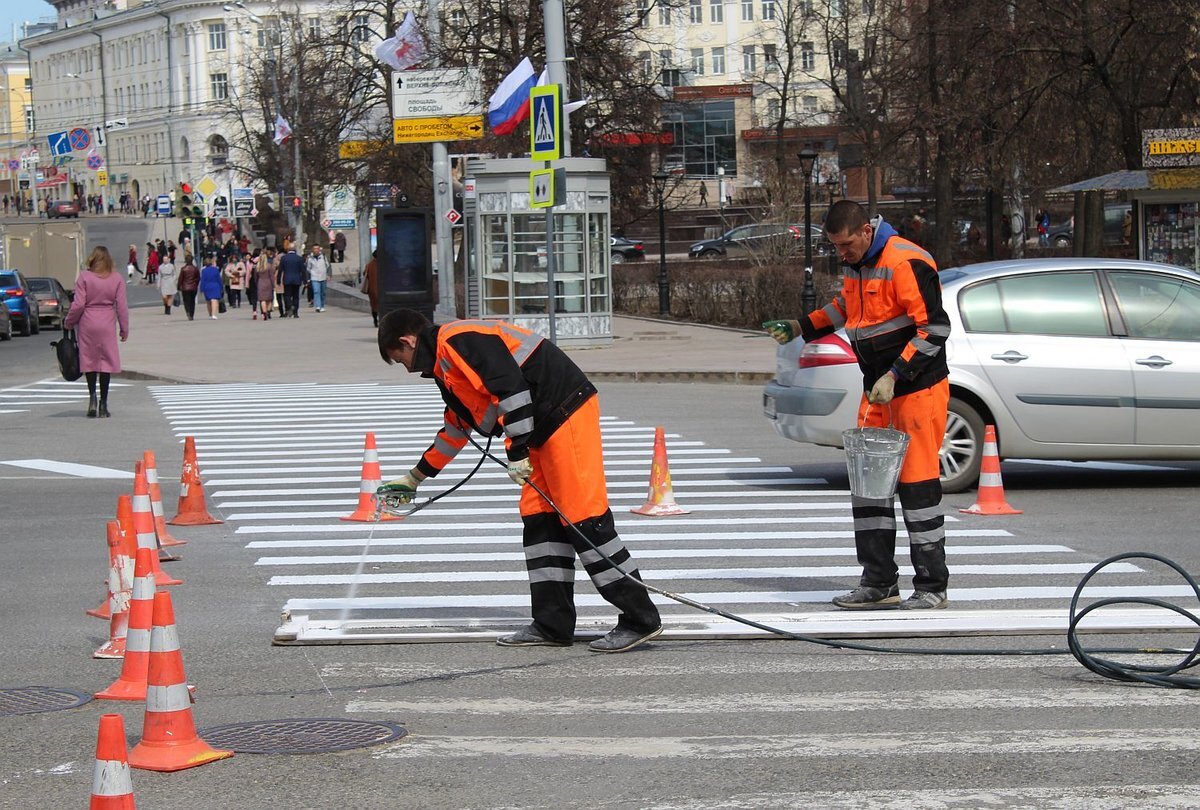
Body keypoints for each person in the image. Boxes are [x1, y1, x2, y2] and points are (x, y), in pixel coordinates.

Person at [376, 310, 663, 653]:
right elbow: (455, 429)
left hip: (564, 412)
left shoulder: (458, 340)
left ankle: (640, 618)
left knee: (583, 517)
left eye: (400, 358)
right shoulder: (445, 368)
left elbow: (513, 392)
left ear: (407, 341)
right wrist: (414, 478)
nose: (407, 368)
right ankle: (552, 624)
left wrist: (517, 453)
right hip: (540, 430)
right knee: (539, 520)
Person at [764, 199, 951, 610]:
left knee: (918, 487)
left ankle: (932, 586)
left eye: (846, 244)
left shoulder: (906, 261)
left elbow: (934, 329)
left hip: (916, 389)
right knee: (870, 488)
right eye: (835, 246)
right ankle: (879, 582)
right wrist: (800, 326)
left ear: (867, 230)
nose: (841, 253)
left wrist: (895, 374)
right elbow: (846, 309)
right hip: (877, 391)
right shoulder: (858, 263)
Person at [64, 246, 129, 418]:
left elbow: (78, 304)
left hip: (88, 322)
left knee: (90, 362)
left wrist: (69, 322)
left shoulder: (84, 277)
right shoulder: (117, 279)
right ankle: (103, 404)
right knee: (105, 363)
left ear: (92, 259)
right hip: (107, 322)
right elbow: (122, 307)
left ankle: (92, 398)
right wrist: (124, 328)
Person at [276, 240, 305, 318]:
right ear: (295, 249)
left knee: (287, 295)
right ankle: (295, 313)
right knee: (296, 296)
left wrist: (278, 280)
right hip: (297, 279)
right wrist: (305, 280)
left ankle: (290, 305)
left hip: (287, 279)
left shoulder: (284, 258)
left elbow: (280, 270)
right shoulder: (299, 258)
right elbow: (303, 270)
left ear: (288, 250)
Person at [305, 244, 331, 312]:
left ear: (319, 249)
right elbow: (308, 269)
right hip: (314, 277)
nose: (316, 250)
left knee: (323, 292)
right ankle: (318, 306)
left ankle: (322, 305)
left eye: (317, 249)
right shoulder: (310, 258)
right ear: (312, 250)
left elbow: (328, 266)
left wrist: (329, 275)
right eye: (314, 249)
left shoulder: (324, 257)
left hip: (323, 277)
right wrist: (308, 278)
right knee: (316, 291)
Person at [177, 253, 200, 320]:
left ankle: (187, 312)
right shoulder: (195, 269)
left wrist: (178, 286)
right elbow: (198, 278)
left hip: (185, 287)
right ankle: (192, 314)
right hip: (193, 287)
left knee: (186, 301)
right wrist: (196, 284)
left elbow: (180, 279)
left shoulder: (183, 269)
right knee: (192, 301)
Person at [256, 247, 277, 320]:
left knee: (262, 300)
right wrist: (273, 285)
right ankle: (268, 311)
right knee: (269, 299)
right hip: (268, 282)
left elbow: (256, 277)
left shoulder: (258, 267)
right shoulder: (268, 266)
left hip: (260, 283)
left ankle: (264, 313)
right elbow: (271, 276)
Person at [200, 253, 223, 319]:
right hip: (215, 286)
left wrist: (201, 288)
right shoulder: (215, 270)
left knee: (208, 301)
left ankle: (210, 314)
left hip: (207, 286)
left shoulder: (204, 271)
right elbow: (219, 279)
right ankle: (214, 314)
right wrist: (221, 287)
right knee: (214, 300)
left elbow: (203, 280)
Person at [361, 250, 379, 327]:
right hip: (381, 289)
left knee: (374, 306)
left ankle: (375, 320)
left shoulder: (369, 264)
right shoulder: (383, 264)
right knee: (381, 305)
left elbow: (365, 273)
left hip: (372, 289)